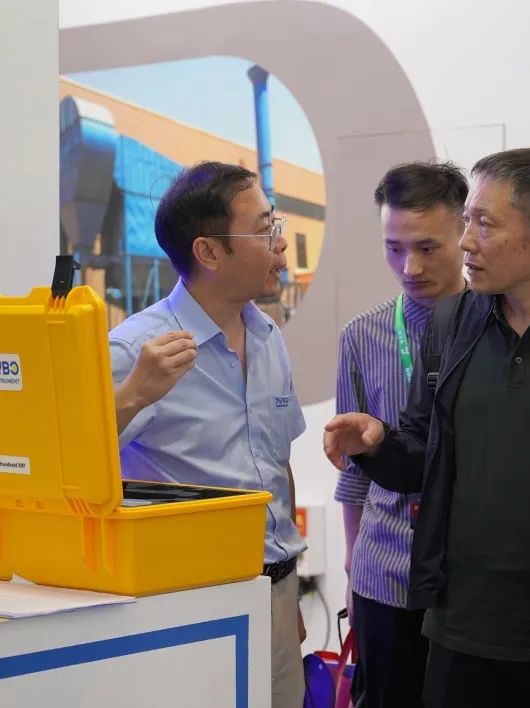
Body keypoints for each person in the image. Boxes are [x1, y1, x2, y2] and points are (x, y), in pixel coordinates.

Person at [324, 147, 530, 708]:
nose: (466, 242)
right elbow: (421, 458)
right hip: (460, 628)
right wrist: (379, 443)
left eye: (483, 224)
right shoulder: (452, 322)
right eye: (466, 222)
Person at [109, 162, 307, 708]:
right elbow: (68, 470)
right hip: (191, 604)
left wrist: (288, 593)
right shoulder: (135, 350)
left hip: (277, 589)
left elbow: (276, 466)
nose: (280, 244)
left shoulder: (267, 336)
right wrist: (133, 395)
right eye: (264, 229)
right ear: (209, 252)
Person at [334, 161, 468, 707]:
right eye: (394, 248)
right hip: (384, 576)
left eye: (428, 247)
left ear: (465, 232)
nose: (410, 267)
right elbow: (352, 472)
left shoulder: (496, 328)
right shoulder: (361, 336)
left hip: (468, 581)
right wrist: (352, 567)